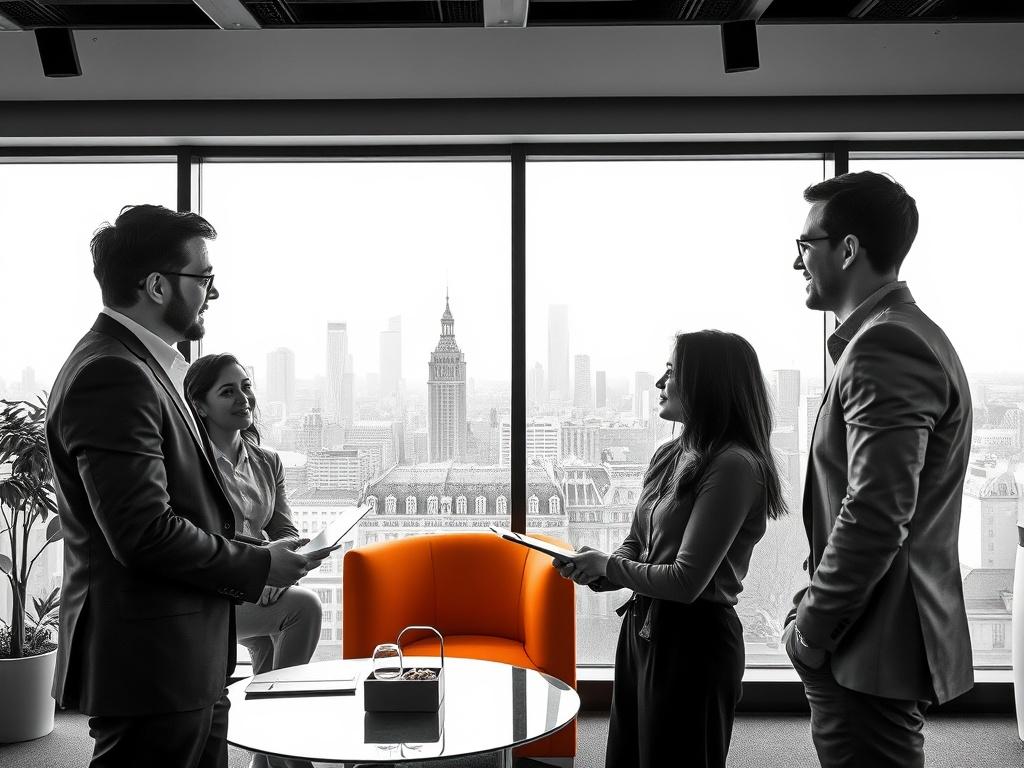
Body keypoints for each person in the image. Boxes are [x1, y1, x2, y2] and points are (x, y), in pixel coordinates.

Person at [45, 204, 332, 768]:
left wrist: (259, 551)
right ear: (156, 285)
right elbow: (143, 533)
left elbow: (185, 512)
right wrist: (258, 568)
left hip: (184, 656)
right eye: (203, 278)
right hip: (152, 661)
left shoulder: (146, 368)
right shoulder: (113, 374)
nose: (213, 293)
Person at [787, 171, 973, 767]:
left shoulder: (886, 345)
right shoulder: (900, 336)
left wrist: (813, 631)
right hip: (869, 635)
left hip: (866, 644)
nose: (796, 263)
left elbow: (873, 515)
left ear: (846, 249)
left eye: (805, 245)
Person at [557, 330, 786, 768]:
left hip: (694, 647)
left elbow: (686, 581)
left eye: (670, 373)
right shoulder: (668, 453)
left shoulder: (735, 466)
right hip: (642, 635)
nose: (660, 384)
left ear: (705, 384)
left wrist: (609, 565)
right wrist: (601, 571)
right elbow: (637, 543)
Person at [185, 353, 322, 676]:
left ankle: (265, 715)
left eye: (245, 387)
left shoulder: (268, 461)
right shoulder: (191, 465)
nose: (243, 398)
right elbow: (207, 536)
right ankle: (279, 710)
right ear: (200, 406)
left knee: (269, 645)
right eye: (227, 391)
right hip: (211, 588)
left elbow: (285, 530)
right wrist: (263, 568)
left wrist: (277, 571)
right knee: (305, 608)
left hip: (258, 585)